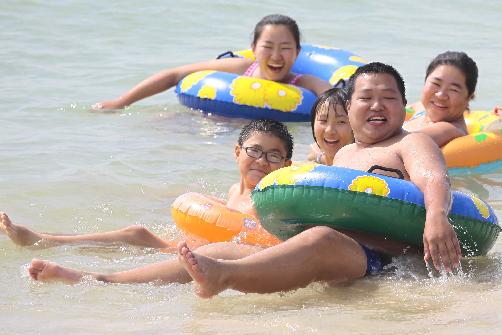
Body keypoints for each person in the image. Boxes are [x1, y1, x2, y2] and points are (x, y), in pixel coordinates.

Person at [174, 62, 463, 298]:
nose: (377, 106)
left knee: (321, 238)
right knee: (219, 250)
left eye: (388, 98)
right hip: (342, 254)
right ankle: (133, 278)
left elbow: (434, 177)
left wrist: (436, 216)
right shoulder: (345, 154)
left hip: (386, 258)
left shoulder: (411, 143)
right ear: (349, 108)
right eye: (365, 98)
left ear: (404, 106)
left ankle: (223, 277)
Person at [19, 119, 296, 283]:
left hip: (209, 259)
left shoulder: (267, 201)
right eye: (254, 150)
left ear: (286, 164)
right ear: (237, 152)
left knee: (144, 239)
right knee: (136, 233)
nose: (261, 160)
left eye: (273, 156)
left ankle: (92, 279)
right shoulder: (234, 191)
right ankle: (46, 238)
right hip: (189, 247)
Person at [93, 14, 330, 110]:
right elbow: (174, 74)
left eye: (286, 48)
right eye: (268, 47)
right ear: (253, 49)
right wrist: (121, 102)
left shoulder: (303, 82)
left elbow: (330, 96)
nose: (276, 56)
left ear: (297, 52)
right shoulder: (242, 68)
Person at [307, 51, 478, 162]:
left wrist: (325, 156)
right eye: (435, 84)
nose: (440, 94)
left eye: (454, 89)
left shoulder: (449, 129)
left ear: (470, 97)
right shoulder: (421, 110)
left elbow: (392, 142)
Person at [306, 87, 354, 165]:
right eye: (323, 120)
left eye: (341, 122)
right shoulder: (314, 157)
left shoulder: (366, 166)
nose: (330, 130)